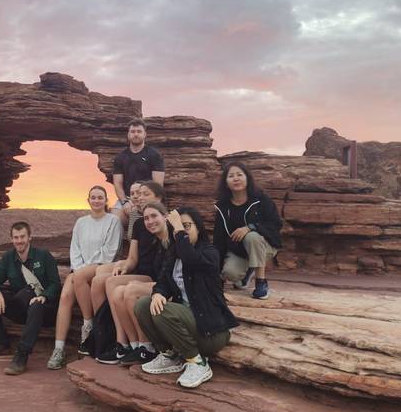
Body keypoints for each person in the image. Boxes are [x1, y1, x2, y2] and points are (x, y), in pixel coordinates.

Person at [135, 207, 239, 388]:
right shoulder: (174, 255)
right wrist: (158, 293)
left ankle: (198, 363)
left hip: (210, 332)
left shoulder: (210, 253)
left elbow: (191, 259)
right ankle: (170, 356)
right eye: (177, 227)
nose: (180, 230)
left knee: (163, 312)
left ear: (198, 228)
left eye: (186, 226)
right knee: (144, 305)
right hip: (186, 325)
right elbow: (163, 281)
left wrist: (178, 230)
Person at [45, 186, 122, 370]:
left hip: (102, 267)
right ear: (88, 200)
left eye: (100, 197)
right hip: (80, 269)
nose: (96, 201)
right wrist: (80, 269)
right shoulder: (81, 222)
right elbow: (75, 248)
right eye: (93, 197)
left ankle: (88, 325)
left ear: (106, 200)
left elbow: (110, 251)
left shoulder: (113, 221)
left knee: (78, 277)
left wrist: (84, 270)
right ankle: (59, 349)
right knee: (64, 298)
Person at [89, 181, 166, 353]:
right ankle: (108, 336)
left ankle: (121, 341)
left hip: (152, 277)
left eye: (146, 193)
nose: (140, 197)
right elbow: (132, 257)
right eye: (139, 194)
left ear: (159, 197)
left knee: (111, 283)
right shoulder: (140, 223)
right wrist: (124, 266)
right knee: (103, 277)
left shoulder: (164, 222)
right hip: (140, 271)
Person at [0, 221, 61, 376]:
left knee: (36, 306)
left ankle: (21, 355)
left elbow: (55, 284)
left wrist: (44, 296)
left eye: (22, 236)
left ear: (29, 237)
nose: (19, 241)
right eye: (16, 237)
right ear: (12, 239)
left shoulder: (43, 256)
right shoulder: (9, 258)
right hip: (22, 307)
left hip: (45, 309)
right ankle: (0, 343)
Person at [213, 162, 283, 300]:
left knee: (252, 237)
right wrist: (217, 277)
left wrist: (250, 227)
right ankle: (247, 274)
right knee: (229, 273)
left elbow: (275, 224)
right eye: (231, 176)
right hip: (240, 251)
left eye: (240, 174)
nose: (236, 178)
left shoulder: (261, 199)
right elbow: (219, 240)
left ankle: (261, 282)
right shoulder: (222, 206)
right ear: (226, 183)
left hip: (265, 246)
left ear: (247, 178)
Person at [112, 119, 165, 230]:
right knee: (113, 219)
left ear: (145, 134)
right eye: (133, 131)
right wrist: (125, 202)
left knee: (144, 217)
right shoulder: (121, 157)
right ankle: (116, 248)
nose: (136, 134)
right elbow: (117, 184)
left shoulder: (154, 155)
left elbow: (157, 185)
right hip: (127, 197)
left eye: (139, 131)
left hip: (148, 197)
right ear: (128, 134)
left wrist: (143, 201)